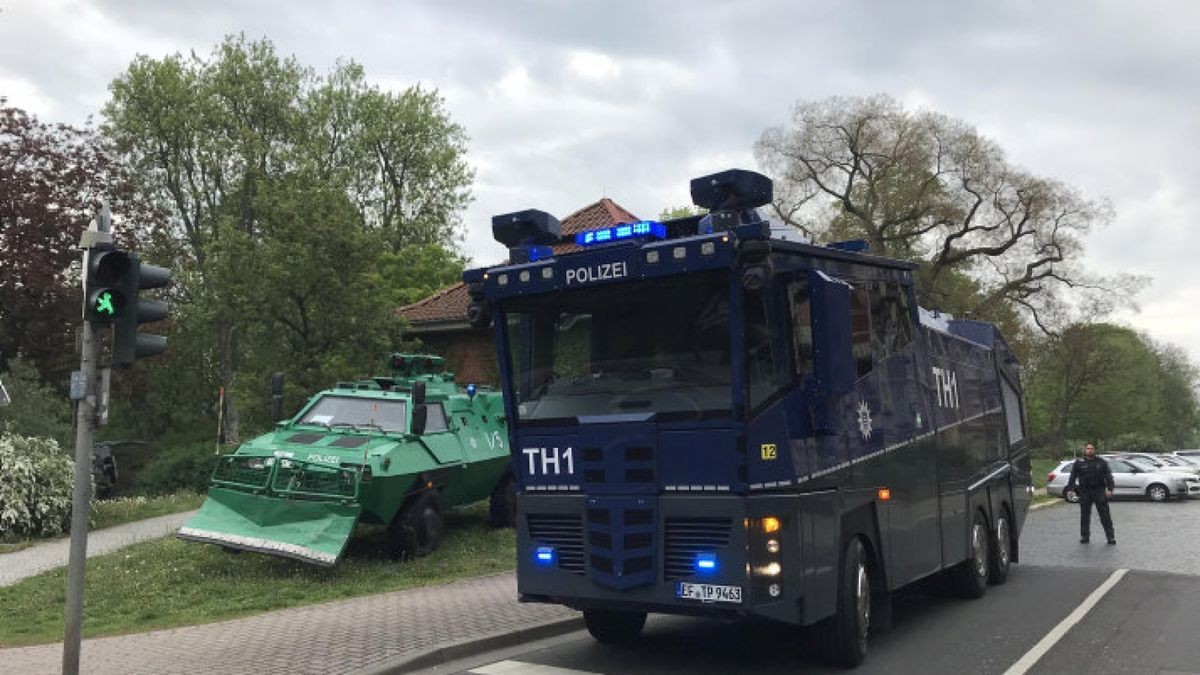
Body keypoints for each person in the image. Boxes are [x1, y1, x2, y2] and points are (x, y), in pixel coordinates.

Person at [1065, 442, 1116, 545]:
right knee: (1084, 516)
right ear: (1084, 450)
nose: (1090, 450)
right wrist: (1070, 489)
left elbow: (1109, 477)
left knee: (1105, 516)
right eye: (1088, 448)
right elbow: (1073, 477)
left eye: (1092, 448)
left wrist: (1110, 489)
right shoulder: (1079, 463)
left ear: (1094, 450)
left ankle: (1110, 537)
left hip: (1099, 491)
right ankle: (1085, 536)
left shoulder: (1101, 462)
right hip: (1085, 492)